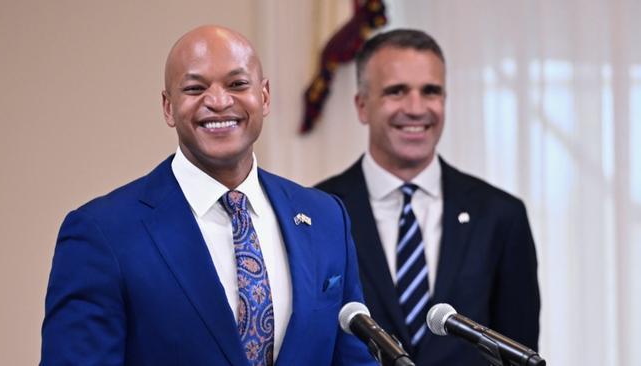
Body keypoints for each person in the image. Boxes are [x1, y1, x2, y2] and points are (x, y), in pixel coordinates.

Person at [41, 25, 375, 366]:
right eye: (195, 88)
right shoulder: (103, 233)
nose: (218, 101)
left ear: (264, 96)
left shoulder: (325, 218)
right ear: (168, 107)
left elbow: (353, 359)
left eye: (237, 84)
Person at [316, 29, 540, 365]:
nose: (416, 108)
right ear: (362, 106)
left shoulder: (500, 214)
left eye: (430, 91)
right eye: (396, 91)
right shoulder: (316, 212)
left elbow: (516, 348)